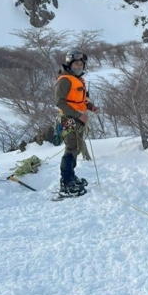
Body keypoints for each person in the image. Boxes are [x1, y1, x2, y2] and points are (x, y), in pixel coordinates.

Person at [55, 49, 98, 196]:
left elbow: (81, 99)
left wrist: (90, 106)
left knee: (77, 148)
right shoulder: (65, 80)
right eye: (76, 64)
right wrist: (78, 115)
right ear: (69, 64)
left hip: (78, 118)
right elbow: (60, 103)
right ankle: (66, 183)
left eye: (81, 64)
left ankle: (71, 177)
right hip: (69, 119)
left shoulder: (79, 79)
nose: (79, 67)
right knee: (71, 149)